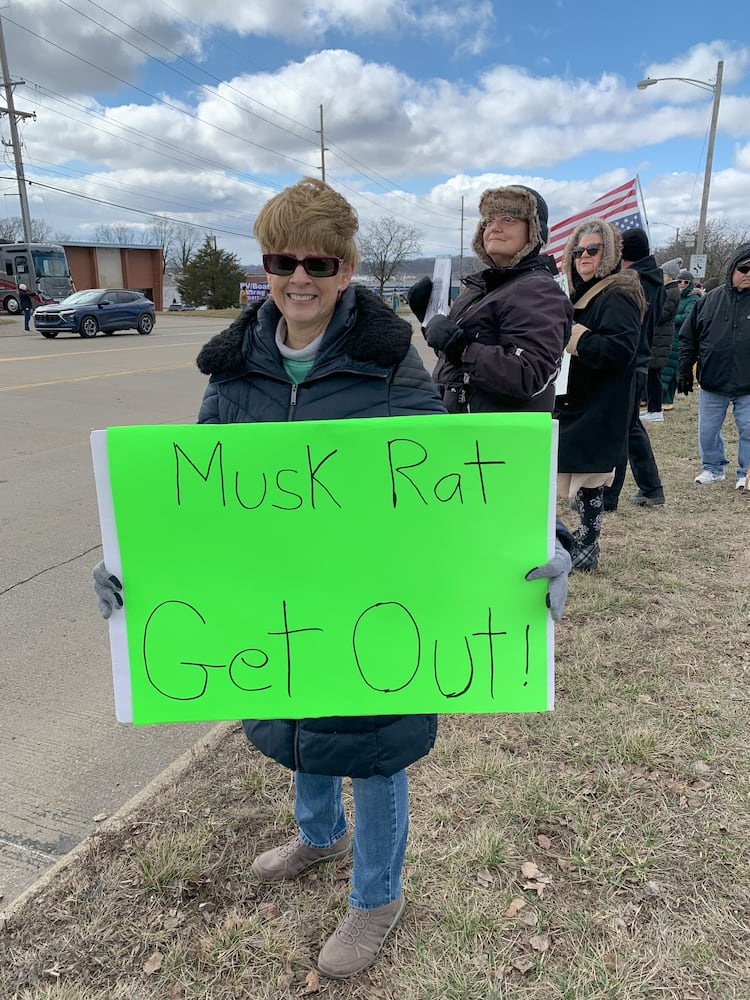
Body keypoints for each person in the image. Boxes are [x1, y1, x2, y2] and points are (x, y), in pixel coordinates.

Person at [91, 176, 571, 980]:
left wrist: (531, 550)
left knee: (373, 749)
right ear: (266, 265)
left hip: (374, 600)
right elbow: (197, 498)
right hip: (282, 596)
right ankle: (320, 837)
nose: (300, 278)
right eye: (284, 260)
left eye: (320, 261)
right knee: (297, 717)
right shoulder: (235, 371)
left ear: (347, 268)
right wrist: (130, 563)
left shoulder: (393, 367)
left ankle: (378, 893)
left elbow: (449, 488)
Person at [408, 184, 572, 415]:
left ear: (533, 230)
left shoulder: (538, 290)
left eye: (508, 218)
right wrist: (432, 320)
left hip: (499, 440)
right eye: (488, 220)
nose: (494, 227)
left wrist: (460, 347)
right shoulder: (481, 288)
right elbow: (455, 362)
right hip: (463, 428)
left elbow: (529, 376)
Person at [554, 219, 645, 571]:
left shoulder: (618, 294)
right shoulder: (585, 292)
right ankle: (575, 544)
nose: (584, 257)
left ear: (610, 253)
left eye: (593, 249)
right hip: (576, 398)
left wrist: (576, 338)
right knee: (574, 474)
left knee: (591, 481)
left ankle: (587, 550)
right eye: (578, 251)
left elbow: (622, 351)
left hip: (600, 402)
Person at [602, 228, 666, 511]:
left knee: (619, 429)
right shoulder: (656, 280)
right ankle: (651, 488)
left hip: (628, 361)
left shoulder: (634, 282)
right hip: (639, 360)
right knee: (631, 427)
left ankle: (609, 497)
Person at [678, 243, 750, 490]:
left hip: (748, 383)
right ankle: (713, 468)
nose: (748, 273)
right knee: (707, 431)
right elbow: (689, 337)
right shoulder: (709, 300)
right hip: (713, 381)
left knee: (749, 430)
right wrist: (685, 368)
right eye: (744, 268)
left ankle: (746, 473)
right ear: (732, 268)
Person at [642, 258, 681, 421]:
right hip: (657, 338)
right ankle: (652, 407)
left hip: (661, 339)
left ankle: (655, 409)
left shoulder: (671, 292)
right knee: (651, 375)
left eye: (663, 273)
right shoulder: (666, 291)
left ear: (669, 276)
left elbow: (662, 314)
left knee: (654, 375)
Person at [662, 269, 701, 408]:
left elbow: (688, 317)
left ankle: (667, 401)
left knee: (672, 370)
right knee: (665, 368)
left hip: (682, 338)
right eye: (679, 281)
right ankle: (660, 400)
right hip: (670, 336)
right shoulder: (674, 295)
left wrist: (671, 318)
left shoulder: (694, 298)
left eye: (686, 282)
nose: (682, 284)